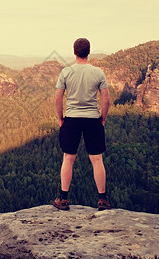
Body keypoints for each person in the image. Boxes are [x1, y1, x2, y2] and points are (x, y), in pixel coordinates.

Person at [53, 38, 111, 211]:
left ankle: (63, 199)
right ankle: (102, 200)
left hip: (71, 119)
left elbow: (58, 98)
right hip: (93, 119)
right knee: (97, 159)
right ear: (89, 51)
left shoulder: (66, 72)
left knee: (68, 159)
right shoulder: (98, 72)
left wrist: (60, 119)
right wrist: (102, 118)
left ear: (74, 52)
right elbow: (106, 98)